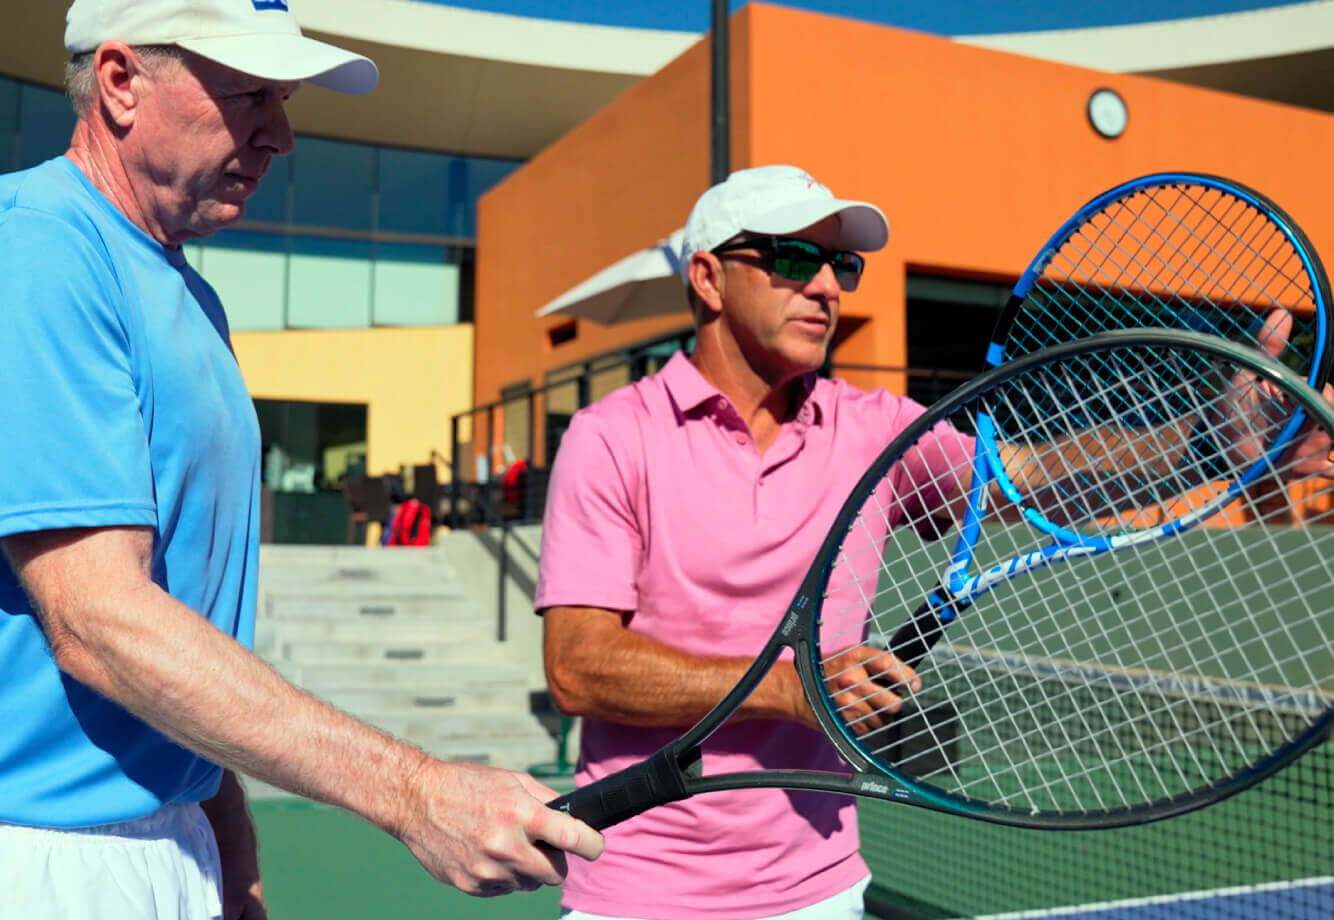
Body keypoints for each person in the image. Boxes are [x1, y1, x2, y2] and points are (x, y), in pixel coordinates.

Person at [0, 3, 600, 919]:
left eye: (281, 100)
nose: (280, 136)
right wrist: (413, 792)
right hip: (46, 855)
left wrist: (221, 821)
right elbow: (100, 622)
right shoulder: (38, 249)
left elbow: (183, 613)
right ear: (119, 83)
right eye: (249, 96)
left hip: (167, 835)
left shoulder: (186, 291)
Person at [536, 165, 961, 920]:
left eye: (843, 266)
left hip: (821, 891)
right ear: (708, 277)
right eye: (795, 259)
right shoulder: (610, 438)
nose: (828, 286)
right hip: (637, 893)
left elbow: (1038, 476)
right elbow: (578, 667)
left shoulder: (875, 426)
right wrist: (794, 691)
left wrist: (1204, 441)